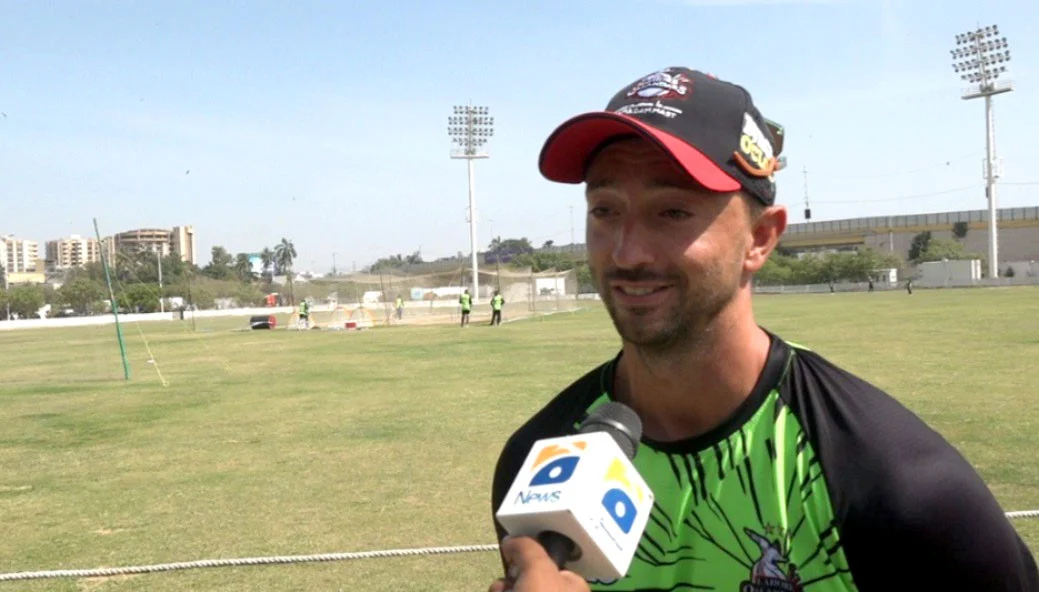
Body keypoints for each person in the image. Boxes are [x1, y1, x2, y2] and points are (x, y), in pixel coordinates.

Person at [488, 67, 1037, 592]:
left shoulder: (898, 486)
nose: (626, 253)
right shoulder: (538, 461)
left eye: (672, 212)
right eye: (604, 210)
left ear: (761, 239)